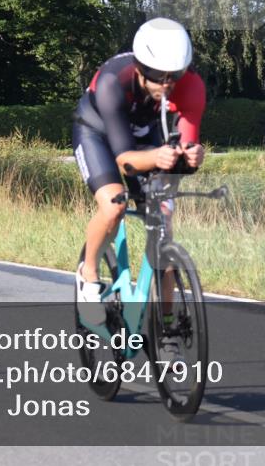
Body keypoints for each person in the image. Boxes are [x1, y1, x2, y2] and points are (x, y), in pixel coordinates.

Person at [72, 18, 206, 329]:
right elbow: (125, 163)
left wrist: (192, 155)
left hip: (145, 138)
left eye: (176, 76)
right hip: (98, 134)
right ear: (140, 69)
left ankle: (167, 327)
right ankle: (88, 275)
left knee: (163, 226)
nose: (168, 85)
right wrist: (157, 157)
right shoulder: (111, 83)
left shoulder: (192, 86)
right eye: (160, 77)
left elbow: (187, 141)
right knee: (114, 204)